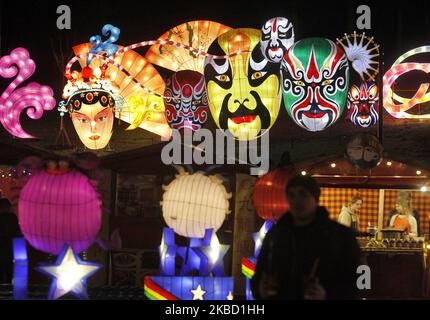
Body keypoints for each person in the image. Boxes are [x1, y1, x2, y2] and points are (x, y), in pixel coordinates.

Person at [251, 175, 362, 300]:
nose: (297, 200)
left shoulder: (340, 235)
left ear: (315, 198)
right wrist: (260, 290)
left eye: (303, 194)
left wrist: (326, 296)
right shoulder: (275, 234)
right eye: (291, 195)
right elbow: (259, 275)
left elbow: (357, 283)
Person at [0, 198, 22, 283]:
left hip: (2, 244)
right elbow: (16, 231)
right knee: (9, 265)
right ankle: (9, 283)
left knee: (2, 265)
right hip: (11, 244)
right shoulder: (12, 217)